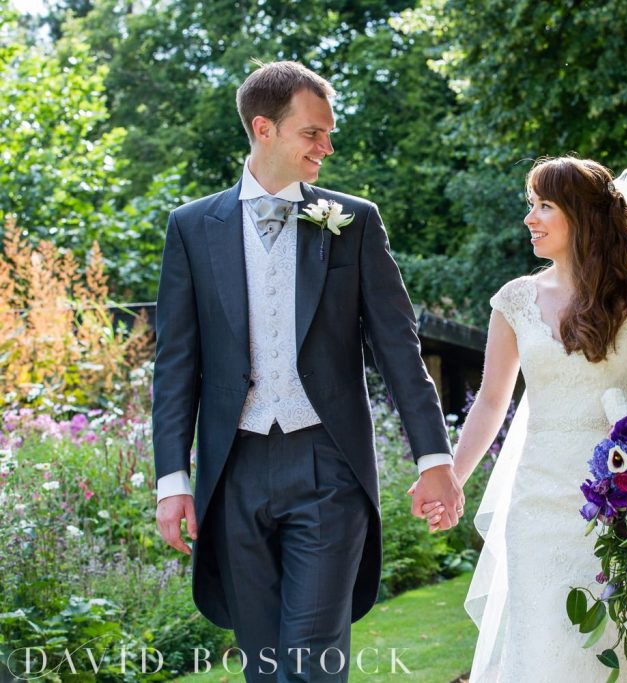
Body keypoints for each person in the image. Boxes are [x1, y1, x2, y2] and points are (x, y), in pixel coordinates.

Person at [151, 60, 463, 682]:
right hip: (231, 471)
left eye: (328, 133)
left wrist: (435, 460)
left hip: (328, 467)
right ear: (264, 129)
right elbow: (176, 364)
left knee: (313, 660)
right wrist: (171, 480)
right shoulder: (190, 227)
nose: (326, 146)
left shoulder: (353, 221)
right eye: (312, 133)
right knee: (263, 666)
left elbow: (399, 348)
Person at [415, 156, 627, 680]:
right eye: (531, 205)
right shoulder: (515, 300)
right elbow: (490, 403)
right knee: (542, 633)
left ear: (583, 216)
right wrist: (450, 477)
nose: (530, 218)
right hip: (536, 500)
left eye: (545, 205)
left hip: (611, 492)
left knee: (614, 629)